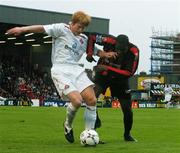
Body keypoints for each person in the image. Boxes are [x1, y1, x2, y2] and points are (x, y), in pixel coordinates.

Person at [6, 11, 117, 143]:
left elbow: (96, 51)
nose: (81, 30)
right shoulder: (61, 29)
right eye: (79, 27)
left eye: (83, 28)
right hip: (60, 69)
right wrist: (23, 29)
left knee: (92, 100)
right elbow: (41, 28)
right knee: (76, 101)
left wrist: (106, 54)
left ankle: (90, 133)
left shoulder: (84, 39)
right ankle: (68, 125)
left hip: (76, 69)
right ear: (73, 22)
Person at [85, 32, 139, 142]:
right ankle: (95, 126)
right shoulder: (108, 40)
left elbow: (129, 73)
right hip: (103, 76)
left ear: (127, 47)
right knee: (91, 98)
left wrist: (107, 68)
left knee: (127, 109)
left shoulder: (134, 52)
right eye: (117, 49)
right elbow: (91, 37)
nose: (119, 52)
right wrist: (90, 53)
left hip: (120, 80)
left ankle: (127, 134)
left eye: (122, 50)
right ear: (115, 44)